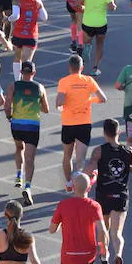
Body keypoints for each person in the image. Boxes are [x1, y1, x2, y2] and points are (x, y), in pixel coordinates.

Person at [87, 119, 132, 264]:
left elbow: (88, 170)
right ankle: (118, 255)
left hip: (103, 195)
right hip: (120, 195)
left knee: (103, 229)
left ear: (104, 133)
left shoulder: (98, 151)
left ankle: (104, 256)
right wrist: (129, 168)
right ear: (119, 133)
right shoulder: (129, 151)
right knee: (117, 233)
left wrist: (86, 176)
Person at [56, 55, 107, 189]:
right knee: (80, 159)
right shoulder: (88, 80)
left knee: (67, 156)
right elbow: (103, 98)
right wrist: (89, 100)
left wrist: (63, 103)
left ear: (69, 67)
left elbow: (59, 102)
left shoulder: (64, 82)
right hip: (84, 123)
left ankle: (68, 183)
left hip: (68, 123)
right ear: (82, 68)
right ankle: (78, 185)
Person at [4, 60, 49, 205]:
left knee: (19, 148)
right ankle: (28, 186)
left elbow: (7, 103)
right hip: (32, 126)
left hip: (17, 124)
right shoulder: (40, 88)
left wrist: (9, 116)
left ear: (21, 72)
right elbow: (46, 109)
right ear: (34, 73)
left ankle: (18, 175)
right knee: (30, 158)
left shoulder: (14, 86)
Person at [77, 0, 116, 77]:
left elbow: (77, 3)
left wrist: (83, 8)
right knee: (99, 44)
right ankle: (95, 68)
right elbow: (111, 7)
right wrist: (113, 7)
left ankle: (87, 48)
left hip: (88, 22)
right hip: (101, 23)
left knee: (87, 41)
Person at [10, 0, 48, 82]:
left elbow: (15, 16)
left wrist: (7, 19)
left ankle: (17, 81)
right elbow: (44, 17)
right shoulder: (37, 1)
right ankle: (27, 82)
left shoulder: (17, 0)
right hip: (31, 35)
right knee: (27, 62)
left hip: (18, 34)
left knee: (17, 58)